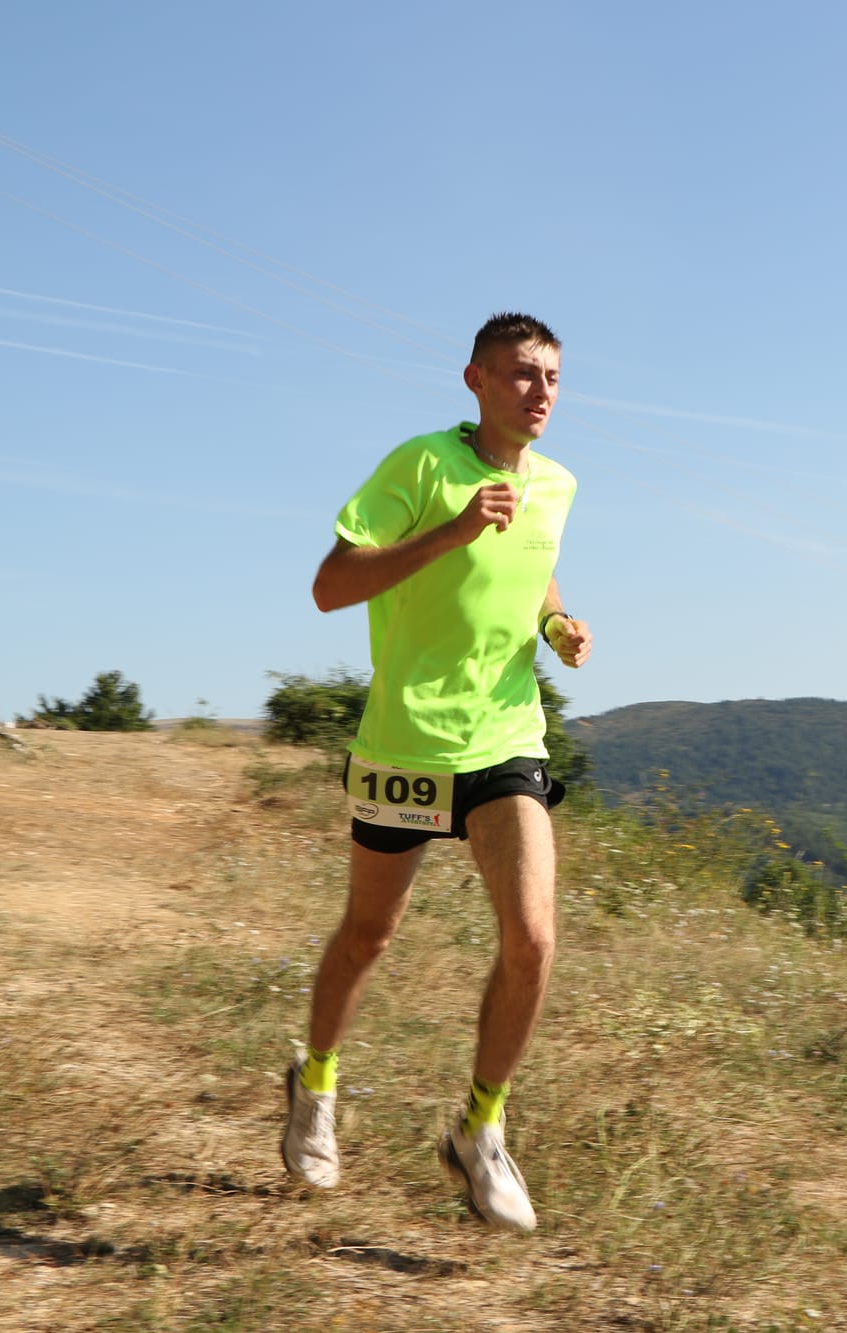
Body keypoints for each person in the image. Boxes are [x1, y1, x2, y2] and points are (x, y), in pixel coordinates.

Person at [282, 312, 591, 1233]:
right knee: (368, 935)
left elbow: (536, 572)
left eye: (552, 378)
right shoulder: (422, 466)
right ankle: (316, 1085)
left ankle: (480, 1130)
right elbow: (330, 586)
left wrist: (557, 624)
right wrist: (449, 533)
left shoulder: (559, 485)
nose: (540, 393)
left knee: (533, 939)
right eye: (522, 375)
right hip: (408, 745)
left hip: (506, 740)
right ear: (476, 381)